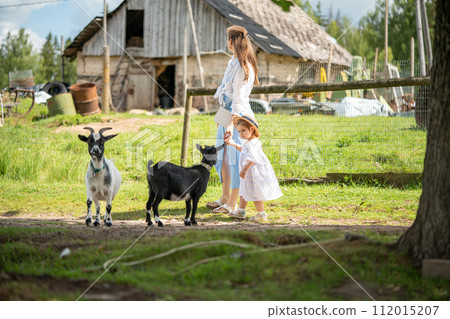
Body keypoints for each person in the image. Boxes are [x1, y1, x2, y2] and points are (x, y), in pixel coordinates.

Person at [206, 25, 259, 214]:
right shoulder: (233, 61)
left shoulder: (244, 67)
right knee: (223, 158)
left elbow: (238, 101)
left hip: (238, 118)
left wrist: (230, 124)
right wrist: (222, 118)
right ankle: (224, 197)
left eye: (227, 39)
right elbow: (226, 93)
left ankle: (233, 204)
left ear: (231, 41)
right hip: (226, 114)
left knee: (236, 160)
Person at [225, 115, 283, 222]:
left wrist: (244, 169)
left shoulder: (254, 143)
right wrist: (232, 144)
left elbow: (253, 158)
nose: (241, 134)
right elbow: (243, 149)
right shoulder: (248, 142)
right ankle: (241, 211)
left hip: (253, 173)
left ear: (252, 129)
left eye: (243, 131)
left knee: (255, 193)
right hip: (248, 174)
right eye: (239, 131)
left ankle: (261, 214)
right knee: (243, 191)